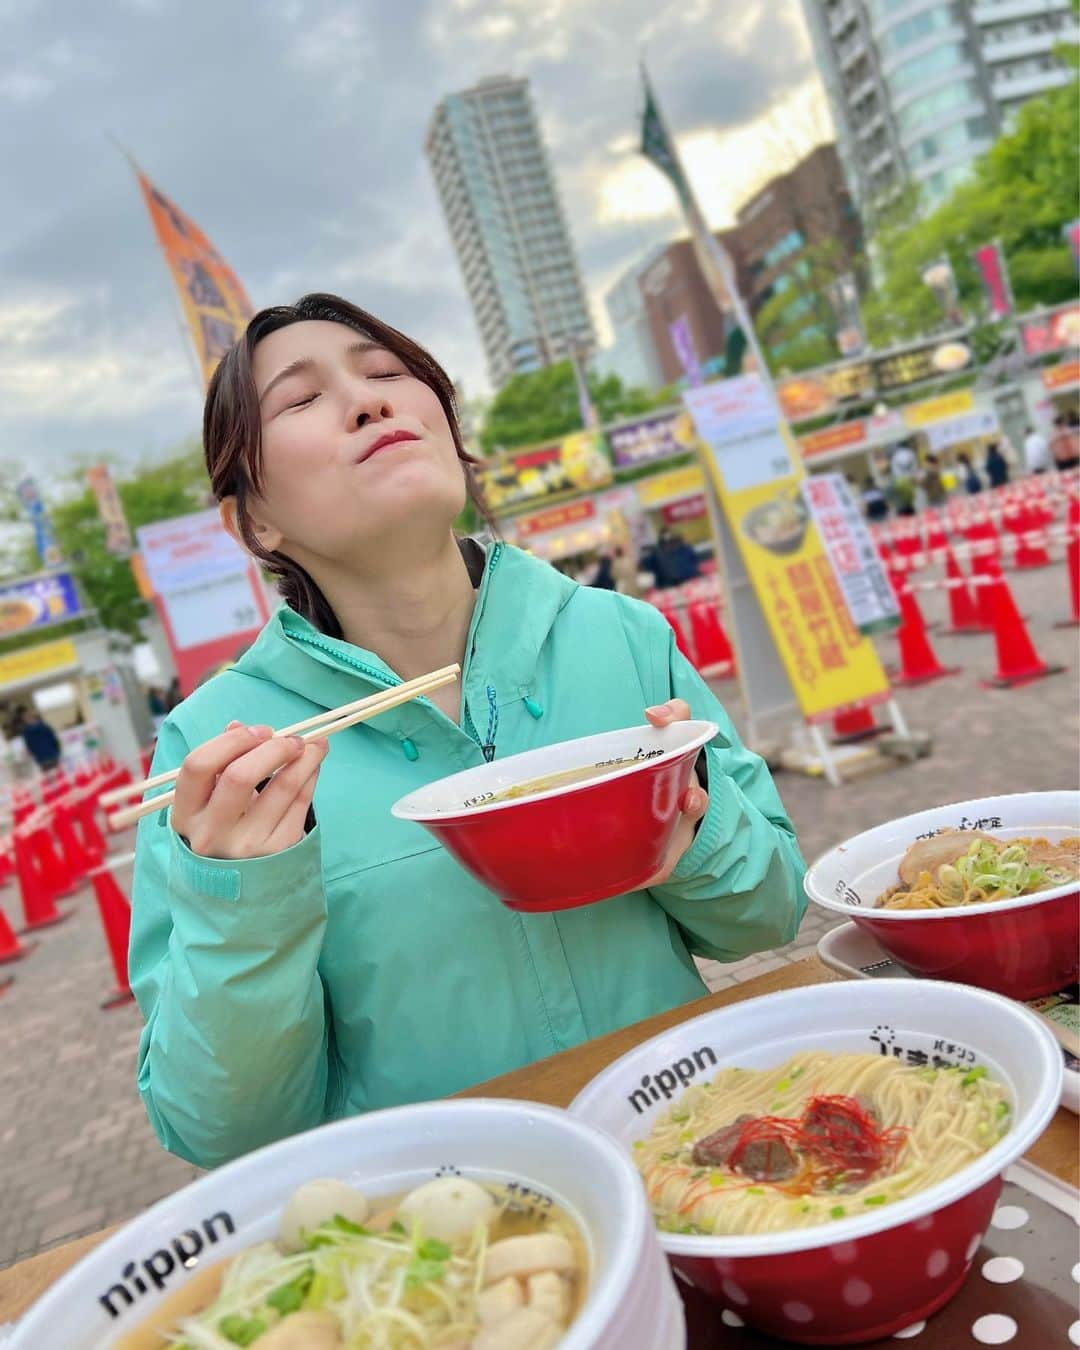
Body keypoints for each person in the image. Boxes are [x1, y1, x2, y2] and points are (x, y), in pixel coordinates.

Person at [129, 293, 806, 1169]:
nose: (371, 402)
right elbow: (221, 1131)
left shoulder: (617, 635)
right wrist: (244, 911)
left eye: (387, 374)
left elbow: (768, 915)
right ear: (256, 521)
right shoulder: (219, 757)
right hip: (454, 1231)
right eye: (301, 400)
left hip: (693, 1155)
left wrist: (695, 827)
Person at [14, 707, 61, 772]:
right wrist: (58, 750)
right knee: (59, 774)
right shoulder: (44, 726)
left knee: (50, 778)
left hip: (41, 758)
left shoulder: (26, 732)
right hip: (51, 754)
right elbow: (53, 739)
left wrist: (34, 755)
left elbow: (29, 747)